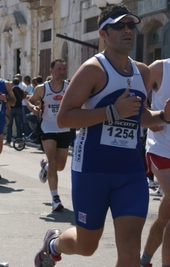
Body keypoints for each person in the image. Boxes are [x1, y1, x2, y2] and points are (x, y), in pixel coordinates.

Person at [35, 4, 170, 266]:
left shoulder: (141, 71)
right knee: (87, 246)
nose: (128, 30)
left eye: (131, 25)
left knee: (130, 253)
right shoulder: (92, 69)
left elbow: (139, 116)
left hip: (130, 173)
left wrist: (163, 117)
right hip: (92, 170)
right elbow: (65, 117)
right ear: (103, 34)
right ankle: (53, 244)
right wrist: (111, 112)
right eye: (119, 25)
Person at [27, 58, 70, 211]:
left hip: (64, 128)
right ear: (51, 71)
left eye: (63, 69)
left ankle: (45, 167)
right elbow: (29, 101)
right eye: (58, 69)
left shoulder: (69, 87)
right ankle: (55, 199)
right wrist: (33, 108)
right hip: (47, 127)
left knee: (60, 165)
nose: (61, 72)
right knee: (52, 160)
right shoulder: (42, 88)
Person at [140, 59, 170, 267]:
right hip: (162, 149)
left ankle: (144, 261)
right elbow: (136, 104)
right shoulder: (161, 68)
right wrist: (155, 118)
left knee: (165, 217)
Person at [5, 78, 24, 146]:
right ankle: (19, 141)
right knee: (19, 125)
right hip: (19, 108)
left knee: (9, 125)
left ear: (13, 83)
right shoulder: (21, 90)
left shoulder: (11, 90)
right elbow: (22, 98)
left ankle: (8, 140)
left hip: (11, 108)